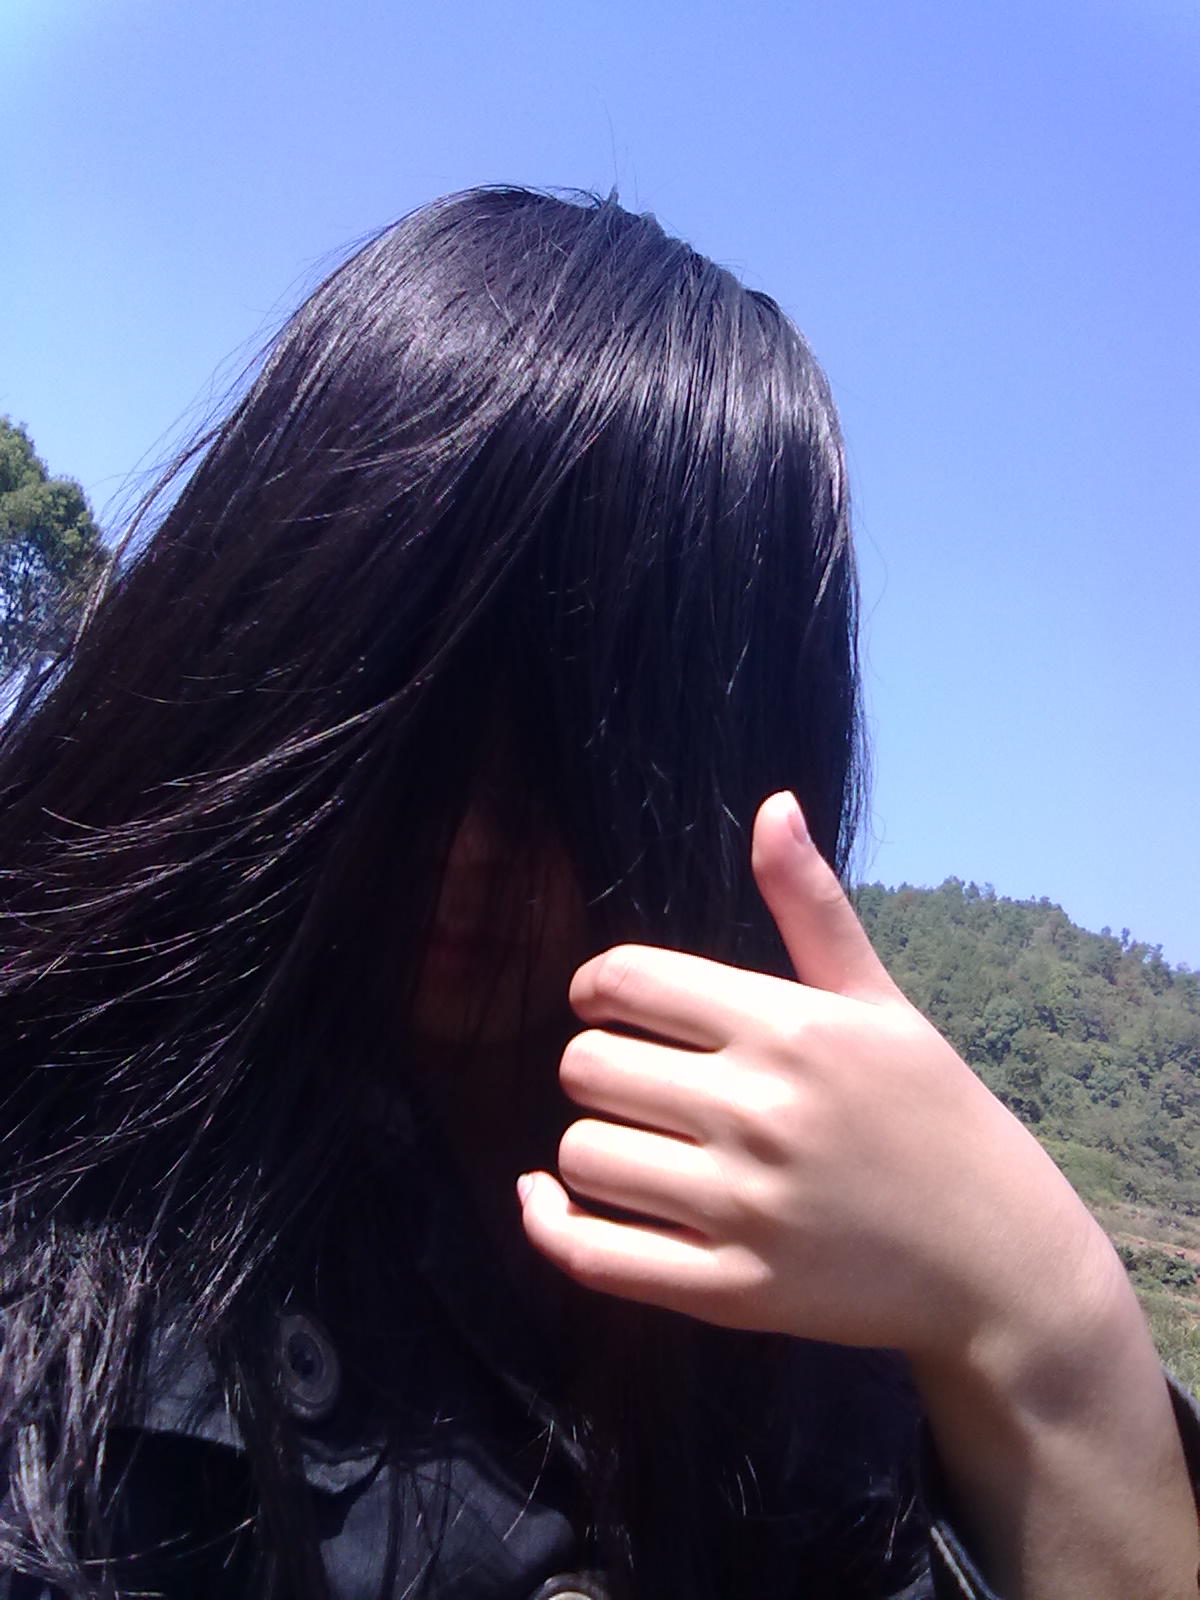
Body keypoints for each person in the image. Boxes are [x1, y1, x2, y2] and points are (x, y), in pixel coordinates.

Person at [0, 186, 1195, 1600]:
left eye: (575, 752)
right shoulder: (72, 1210)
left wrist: (1047, 1310)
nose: (469, 839)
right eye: (412, 719)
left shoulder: (839, 1338)